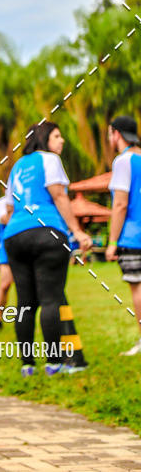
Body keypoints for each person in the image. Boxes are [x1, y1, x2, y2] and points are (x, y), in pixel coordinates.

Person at [3, 122, 92, 376]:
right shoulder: (50, 160)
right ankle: (54, 363)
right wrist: (76, 231)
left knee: (25, 303)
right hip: (47, 231)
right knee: (50, 299)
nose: (61, 140)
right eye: (57, 135)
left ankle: (28, 365)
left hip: (15, 235)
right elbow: (59, 195)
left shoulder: (17, 167)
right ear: (44, 138)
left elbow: (9, 209)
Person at [105, 114, 141, 356]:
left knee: (138, 287)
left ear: (116, 134)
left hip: (132, 236)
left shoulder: (123, 161)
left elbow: (120, 204)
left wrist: (112, 242)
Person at [0, 194, 14, 332]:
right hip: (6, 247)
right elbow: (4, 219)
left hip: (25, 244)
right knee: (5, 285)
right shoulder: (0, 202)